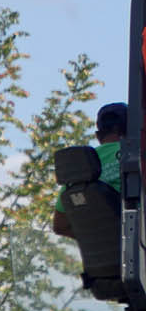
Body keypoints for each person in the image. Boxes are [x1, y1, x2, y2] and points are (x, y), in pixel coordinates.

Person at [53, 102, 125, 239]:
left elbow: (60, 225)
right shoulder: (139, 158)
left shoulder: (81, 167)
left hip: (104, 258)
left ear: (98, 136)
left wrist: (99, 239)